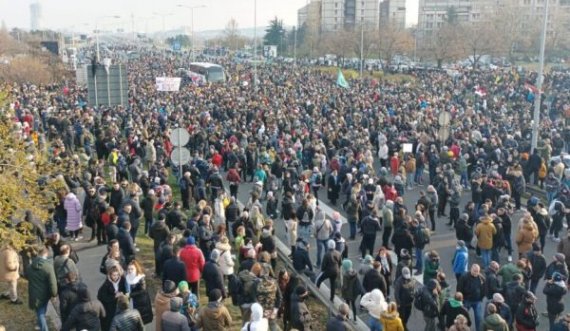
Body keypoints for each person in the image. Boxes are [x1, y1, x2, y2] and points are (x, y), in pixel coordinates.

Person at [27, 247, 57, 331]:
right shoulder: (48, 267)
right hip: (44, 294)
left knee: (39, 311)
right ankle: (44, 329)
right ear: (46, 254)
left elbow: (27, 277)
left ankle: (40, 326)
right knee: (41, 313)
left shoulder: (29, 267)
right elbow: (52, 282)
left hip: (33, 292)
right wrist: (54, 294)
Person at [98, 265, 128, 331]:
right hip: (110, 309)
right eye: (114, 275)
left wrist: (123, 294)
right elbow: (102, 297)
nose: (116, 277)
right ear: (110, 275)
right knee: (110, 324)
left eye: (117, 275)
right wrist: (114, 296)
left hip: (120, 306)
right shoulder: (106, 284)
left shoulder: (122, 280)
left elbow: (126, 291)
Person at [457, 264, 485, 331]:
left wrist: (481, 297)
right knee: (463, 317)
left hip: (477, 300)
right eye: (474, 271)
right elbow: (459, 288)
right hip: (467, 300)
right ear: (471, 269)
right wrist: (461, 299)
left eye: (477, 271)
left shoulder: (481, 277)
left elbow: (484, 287)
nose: (476, 273)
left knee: (479, 318)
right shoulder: (464, 277)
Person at [125, 260, 153, 325]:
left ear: (136, 269)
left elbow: (142, 291)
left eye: (132, 269)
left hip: (142, 302)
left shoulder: (140, 278)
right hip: (133, 302)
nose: (130, 271)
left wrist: (130, 295)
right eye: (128, 269)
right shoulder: (127, 277)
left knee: (141, 321)